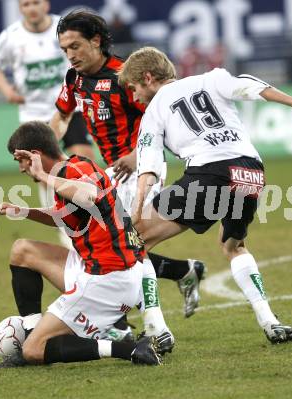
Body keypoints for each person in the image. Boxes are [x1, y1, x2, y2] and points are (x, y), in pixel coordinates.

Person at [118, 47, 292, 343]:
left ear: (148, 77)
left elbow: (148, 168)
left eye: (133, 88)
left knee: (134, 240)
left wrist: (136, 212)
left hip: (209, 172)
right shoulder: (211, 78)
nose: (134, 96)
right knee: (233, 244)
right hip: (251, 172)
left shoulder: (154, 111)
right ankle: (270, 322)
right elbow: (249, 86)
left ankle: (156, 328)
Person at [50, 10, 206, 336]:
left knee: (129, 245)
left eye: (75, 46)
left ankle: (154, 327)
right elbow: (62, 116)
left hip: (142, 166)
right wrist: (50, 154)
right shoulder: (73, 78)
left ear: (96, 41)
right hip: (111, 174)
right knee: (109, 248)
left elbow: (161, 120)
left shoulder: (125, 77)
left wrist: (138, 155)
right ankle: (181, 272)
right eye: (65, 49)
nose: (70, 54)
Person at [0, 121, 162, 368]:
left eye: (21, 160)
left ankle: (130, 349)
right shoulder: (73, 167)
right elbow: (64, 217)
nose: (20, 169)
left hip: (108, 279)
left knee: (34, 350)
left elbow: (88, 194)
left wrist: (42, 175)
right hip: (101, 268)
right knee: (22, 250)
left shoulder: (72, 170)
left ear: (35, 155)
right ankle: (32, 329)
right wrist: (22, 210)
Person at [0, 0, 94, 245]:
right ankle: (61, 219)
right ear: (20, 9)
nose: (31, 8)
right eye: (25, 4)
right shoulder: (11, 37)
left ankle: (88, 210)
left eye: (35, 2)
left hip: (68, 109)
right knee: (43, 167)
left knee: (84, 158)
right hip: (34, 116)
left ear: (45, 4)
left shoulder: (64, 28)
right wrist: (6, 90)